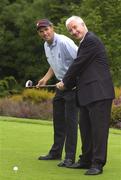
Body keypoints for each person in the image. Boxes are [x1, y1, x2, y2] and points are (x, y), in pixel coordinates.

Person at [56, 16, 115, 175]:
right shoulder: (84, 44)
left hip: (99, 93)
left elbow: (78, 64)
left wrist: (65, 82)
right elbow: (82, 69)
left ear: (83, 25)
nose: (74, 31)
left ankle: (97, 163)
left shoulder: (91, 40)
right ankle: (86, 159)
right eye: (71, 30)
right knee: (86, 128)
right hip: (87, 94)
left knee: (98, 130)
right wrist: (69, 82)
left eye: (76, 27)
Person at [36, 19, 79, 167]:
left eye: (46, 29)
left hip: (74, 86)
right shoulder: (46, 46)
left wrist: (68, 80)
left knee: (71, 122)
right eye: (41, 32)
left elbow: (80, 60)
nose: (45, 33)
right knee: (58, 119)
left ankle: (69, 157)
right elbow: (54, 65)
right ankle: (56, 152)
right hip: (61, 86)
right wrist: (45, 78)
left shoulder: (64, 42)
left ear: (52, 28)